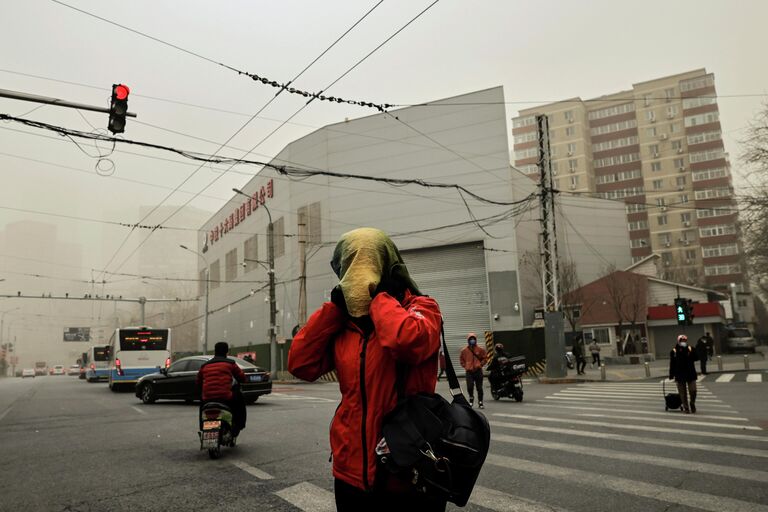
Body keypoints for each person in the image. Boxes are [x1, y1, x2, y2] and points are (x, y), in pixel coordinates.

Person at [287, 228, 445, 511]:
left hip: (408, 469)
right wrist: (334, 310)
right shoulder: (342, 325)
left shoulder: (422, 308)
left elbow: (407, 341)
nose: (361, 273)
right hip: (350, 470)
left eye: (370, 262)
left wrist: (382, 298)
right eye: (352, 265)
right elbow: (300, 363)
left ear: (388, 265)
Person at [196, 341, 247, 435]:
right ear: (227, 352)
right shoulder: (230, 364)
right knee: (239, 400)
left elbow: (198, 382)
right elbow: (242, 378)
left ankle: (202, 427)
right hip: (225, 397)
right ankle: (238, 425)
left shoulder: (205, 366)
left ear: (215, 351)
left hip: (207, 398)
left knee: (202, 406)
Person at [669, 334, 699, 413]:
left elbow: (697, 358)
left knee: (693, 390)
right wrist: (671, 375)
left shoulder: (690, 348)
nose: (683, 342)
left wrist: (692, 352)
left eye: (684, 341)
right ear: (678, 341)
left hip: (690, 373)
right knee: (682, 393)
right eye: (681, 341)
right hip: (679, 374)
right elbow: (672, 364)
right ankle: (686, 408)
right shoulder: (674, 351)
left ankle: (692, 403)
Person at [460, 332, 487, 409]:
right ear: (468, 340)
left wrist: (480, 364)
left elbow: (485, 358)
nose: (472, 340)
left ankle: (480, 402)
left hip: (478, 371)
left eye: (473, 339)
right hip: (469, 372)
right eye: (471, 339)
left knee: (479, 388)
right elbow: (461, 360)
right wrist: (465, 366)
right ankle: (471, 399)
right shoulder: (464, 351)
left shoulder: (480, 349)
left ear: (476, 340)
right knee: (469, 387)